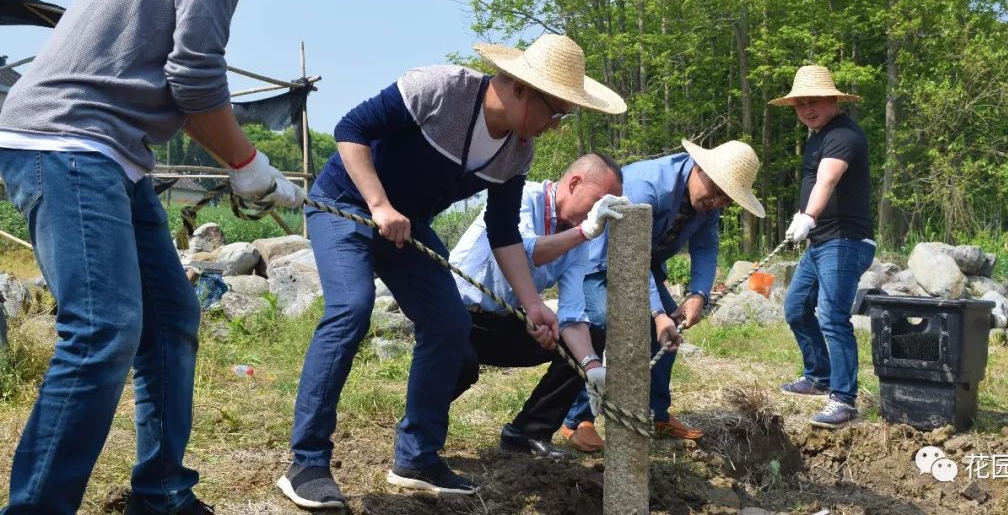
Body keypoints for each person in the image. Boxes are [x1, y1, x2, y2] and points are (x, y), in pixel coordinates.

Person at [0, 0, 343, 515]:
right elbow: (193, 83)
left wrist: (248, 168)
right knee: (104, 328)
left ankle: (161, 495)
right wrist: (251, 167)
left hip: (110, 154)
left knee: (168, 321)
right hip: (67, 141)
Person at [279, 34, 626, 508]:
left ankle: (416, 457)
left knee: (449, 322)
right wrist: (378, 204)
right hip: (345, 204)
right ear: (524, 89)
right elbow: (350, 128)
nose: (554, 127)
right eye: (556, 112)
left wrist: (531, 306)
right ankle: (308, 462)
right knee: (352, 308)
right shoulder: (441, 89)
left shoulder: (515, 153)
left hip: (409, 225)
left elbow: (503, 230)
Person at [561, 139, 765, 452]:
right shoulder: (646, 186)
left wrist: (698, 294)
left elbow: (706, 246)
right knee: (599, 322)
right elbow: (629, 254)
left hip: (644, 264)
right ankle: (577, 419)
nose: (719, 202)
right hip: (595, 260)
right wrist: (655, 314)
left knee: (670, 330)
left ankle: (656, 413)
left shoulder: (709, 203)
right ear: (699, 168)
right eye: (717, 192)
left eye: (728, 199)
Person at [450, 153, 626, 459]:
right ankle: (419, 429)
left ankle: (528, 432)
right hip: (455, 314)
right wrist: (583, 233)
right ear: (574, 183)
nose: (600, 212)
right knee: (461, 365)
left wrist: (592, 367)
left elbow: (572, 313)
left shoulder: (576, 242)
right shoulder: (522, 197)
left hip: (508, 320)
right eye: (598, 200)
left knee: (589, 341)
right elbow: (522, 249)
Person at [769, 65, 875, 429]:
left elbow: (828, 177)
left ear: (833, 100)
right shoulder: (818, 134)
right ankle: (819, 376)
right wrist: (809, 221)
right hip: (822, 241)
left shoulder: (844, 134)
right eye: (800, 105)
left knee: (832, 316)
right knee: (797, 307)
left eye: (814, 102)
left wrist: (808, 215)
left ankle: (844, 398)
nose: (807, 110)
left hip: (845, 241)